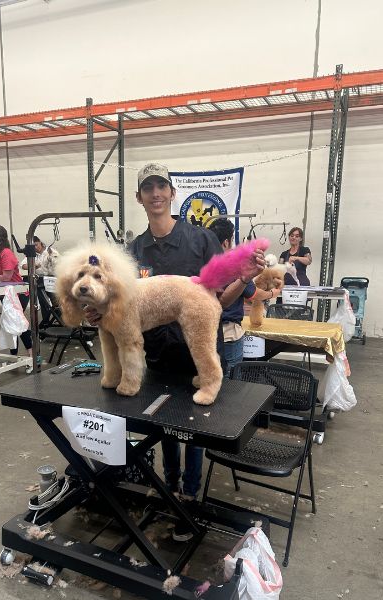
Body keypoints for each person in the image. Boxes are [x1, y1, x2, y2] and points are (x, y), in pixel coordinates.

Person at [128, 163, 265, 540]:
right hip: (157, 359)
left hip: (196, 359)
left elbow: (221, 299)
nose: (155, 193)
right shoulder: (135, 250)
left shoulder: (200, 240)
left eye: (161, 186)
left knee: (192, 432)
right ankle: (168, 490)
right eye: (147, 188)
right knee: (162, 429)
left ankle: (188, 499)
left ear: (172, 194)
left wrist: (244, 278)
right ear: (139, 198)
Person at [208, 218, 282, 377]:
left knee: (211, 377)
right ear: (227, 241)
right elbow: (254, 294)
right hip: (229, 333)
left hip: (207, 333)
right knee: (231, 380)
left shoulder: (205, 263)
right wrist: (272, 294)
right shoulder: (234, 266)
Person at [0, 225, 32, 357]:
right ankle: (14, 356)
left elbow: (6, 277)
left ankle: (32, 354)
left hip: (18, 293)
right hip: (4, 292)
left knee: (16, 322)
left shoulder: (6, 253)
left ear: (1, 239)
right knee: (11, 322)